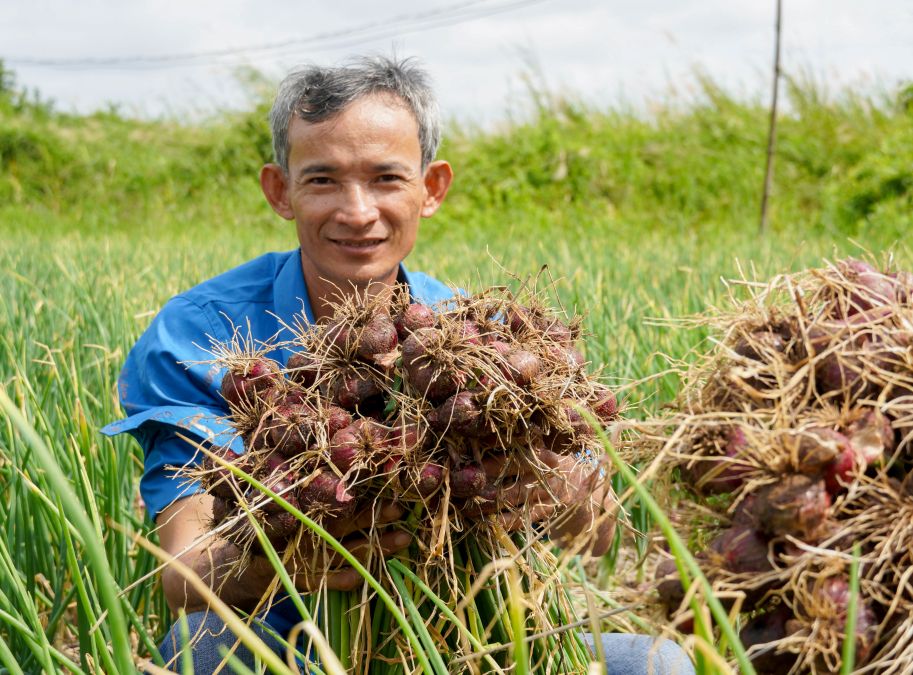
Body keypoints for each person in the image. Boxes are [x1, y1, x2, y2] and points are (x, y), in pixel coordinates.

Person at [103, 55, 694, 675]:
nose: (358, 212)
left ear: (430, 188)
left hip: (475, 639)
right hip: (293, 648)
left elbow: (598, 537)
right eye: (323, 180)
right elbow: (185, 569)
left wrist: (563, 490)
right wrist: (288, 559)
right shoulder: (202, 336)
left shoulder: (480, 341)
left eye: (386, 178)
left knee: (658, 663)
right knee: (202, 650)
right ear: (280, 191)